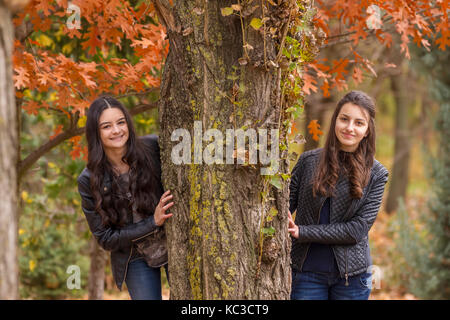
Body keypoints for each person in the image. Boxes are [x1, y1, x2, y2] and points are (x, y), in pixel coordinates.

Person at [287, 90, 389, 300]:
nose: (349, 128)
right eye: (344, 119)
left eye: (359, 123)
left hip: (352, 278)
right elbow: (282, 207)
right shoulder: (308, 162)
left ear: (368, 130)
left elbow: (356, 230)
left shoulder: (377, 174)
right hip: (305, 273)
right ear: (335, 121)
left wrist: (302, 232)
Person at [77, 96, 174, 300]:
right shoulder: (88, 180)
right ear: (96, 133)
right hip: (134, 254)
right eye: (107, 126)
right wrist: (153, 222)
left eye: (121, 122)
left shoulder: (153, 147)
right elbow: (106, 239)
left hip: (175, 240)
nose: (117, 130)